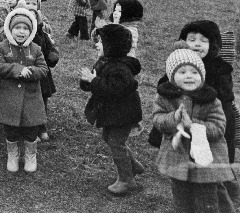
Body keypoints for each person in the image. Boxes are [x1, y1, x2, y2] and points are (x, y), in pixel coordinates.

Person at [153, 48, 235, 212]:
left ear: (202, 77)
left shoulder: (212, 100)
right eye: (182, 71)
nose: (189, 75)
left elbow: (218, 128)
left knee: (207, 198)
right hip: (177, 157)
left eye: (194, 72)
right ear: (172, 76)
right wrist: (174, 117)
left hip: (206, 159)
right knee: (181, 197)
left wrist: (193, 125)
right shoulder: (164, 98)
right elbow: (158, 120)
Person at [79, 24, 143, 195]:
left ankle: (126, 180)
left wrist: (93, 80)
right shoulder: (105, 62)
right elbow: (96, 85)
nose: (97, 45)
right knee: (109, 138)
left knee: (116, 142)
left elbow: (113, 89)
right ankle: (133, 166)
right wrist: (87, 81)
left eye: (100, 42)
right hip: (112, 112)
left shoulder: (121, 68)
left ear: (111, 46)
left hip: (123, 112)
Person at [0, 8, 48, 173]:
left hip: (31, 97)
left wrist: (31, 72)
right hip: (9, 96)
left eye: (25, 29)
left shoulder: (35, 49)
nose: (21, 32)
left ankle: (30, 155)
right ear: (10, 29)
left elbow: (43, 69)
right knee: (11, 129)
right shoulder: (1, 47)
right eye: (17, 28)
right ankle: (12, 155)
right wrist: (16, 69)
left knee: (31, 128)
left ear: (31, 31)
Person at [30, 9, 58, 142]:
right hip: (28, 72)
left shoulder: (43, 35)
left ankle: (42, 126)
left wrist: (53, 55)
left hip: (42, 74)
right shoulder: (20, 34)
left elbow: (49, 49)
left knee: (42, 100)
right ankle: (31, 128)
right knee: (30, 101)